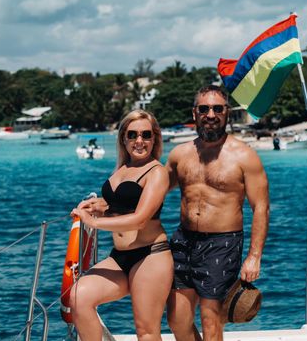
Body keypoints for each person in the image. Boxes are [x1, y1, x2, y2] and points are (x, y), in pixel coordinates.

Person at [166, 85, 269, 341]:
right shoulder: (179, 154)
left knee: (211, 323)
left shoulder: (245, 156)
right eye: (204, 108)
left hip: (222, 243)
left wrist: (254, 256)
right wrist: (109, 202)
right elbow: (153, 192)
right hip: (183, 241)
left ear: (226, 113)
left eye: (217, 109)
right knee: (177, 321)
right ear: (195, 113)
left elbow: (261, 208)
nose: (210, 114)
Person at [69, 110, 174, 341]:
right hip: (120, 257)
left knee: (146, 332)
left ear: (154, 138)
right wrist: (99, 205)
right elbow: (122, 202)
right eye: (133, 135)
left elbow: (140, 218)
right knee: (79, 297)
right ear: (123, 138)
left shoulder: (156, 172)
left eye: (146, 135)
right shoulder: (122, 168)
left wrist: (93, 222)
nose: (139, 141)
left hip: (150, 257)